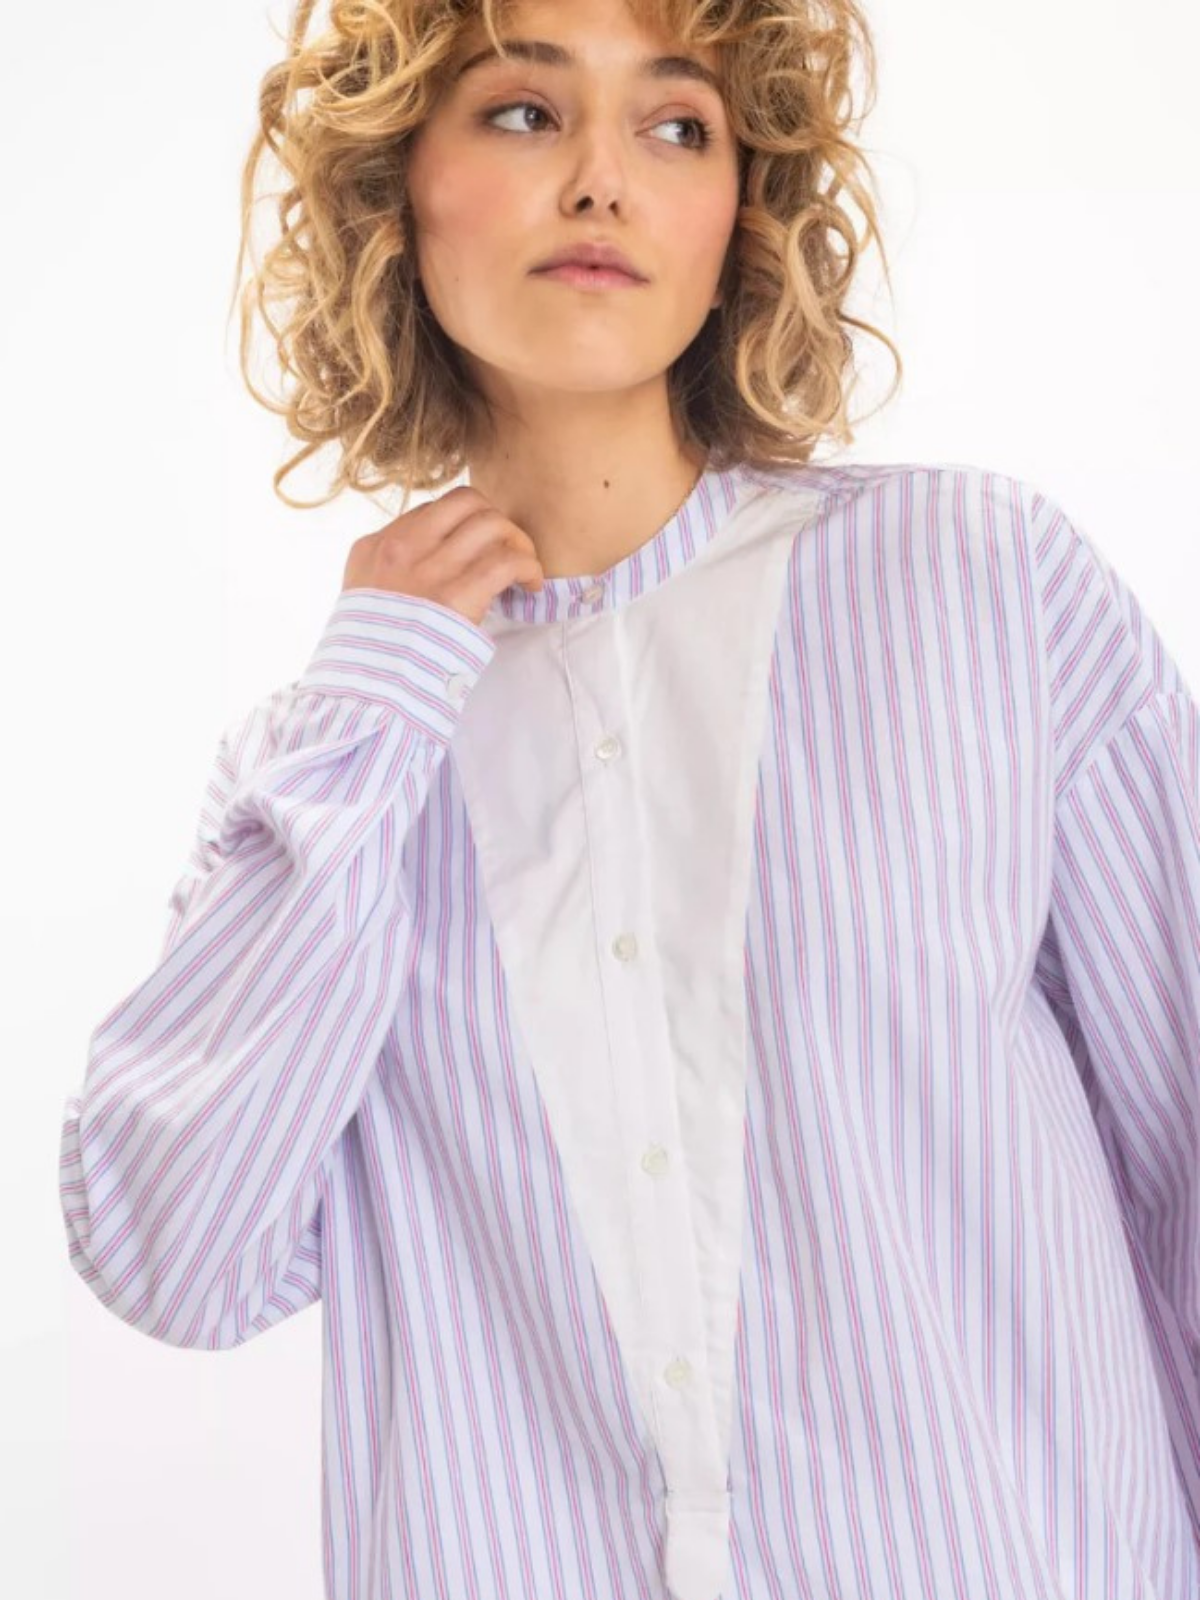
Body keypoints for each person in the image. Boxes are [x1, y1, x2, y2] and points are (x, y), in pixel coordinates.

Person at [58, 0, 1200, 1596]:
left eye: (676, 128)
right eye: (525, 113)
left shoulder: (981, 589)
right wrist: (379, 691)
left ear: (739, 219)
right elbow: (176, 1259)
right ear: (396, 194)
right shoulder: (329, 770)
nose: (602, 178)